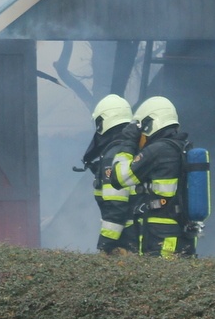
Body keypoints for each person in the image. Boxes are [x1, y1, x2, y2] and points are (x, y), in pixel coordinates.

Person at [108, 96, 197, 258]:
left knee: (162, 274)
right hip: (183, 233)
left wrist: (128, 142)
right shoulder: (181, 148)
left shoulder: (157, 151)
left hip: (160, 236)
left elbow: (118, 178)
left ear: (150, 125)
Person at [82, 95, 142, 255]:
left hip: (125, 242)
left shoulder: (113, 155)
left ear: (103, 121)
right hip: (140, 236)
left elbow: (116, 207)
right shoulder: (134, 149)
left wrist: (104, 245)